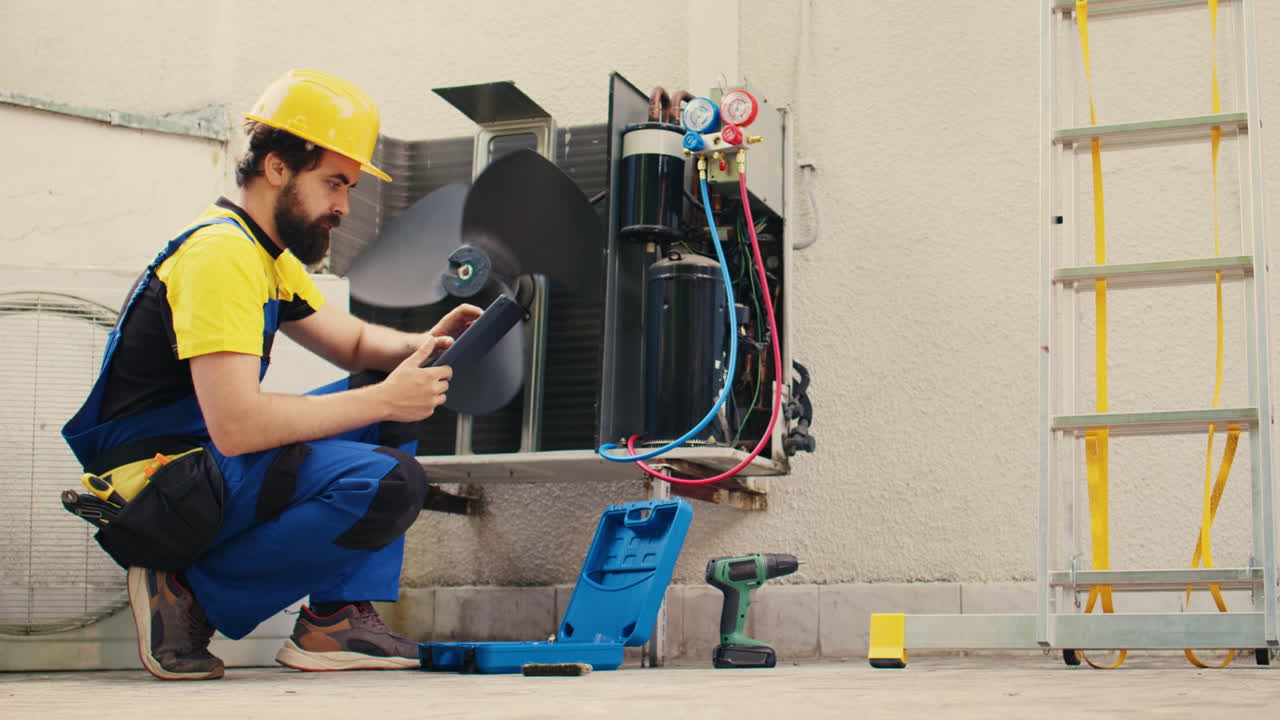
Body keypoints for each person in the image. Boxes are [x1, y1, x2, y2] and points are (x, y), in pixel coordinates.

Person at [61, 69, 480, 680]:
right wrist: (387, 400)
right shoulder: (222, 255)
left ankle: (333, 624)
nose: (342, 206)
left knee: (384, 395)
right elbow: (237, 425)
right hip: (160, 487)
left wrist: (428, 343)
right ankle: (188, 595)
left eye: (350, 186)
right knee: (389, 480)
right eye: (334, 183)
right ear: (278, 166)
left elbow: (355, 343)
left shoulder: (262, 254)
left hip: (202, 469)